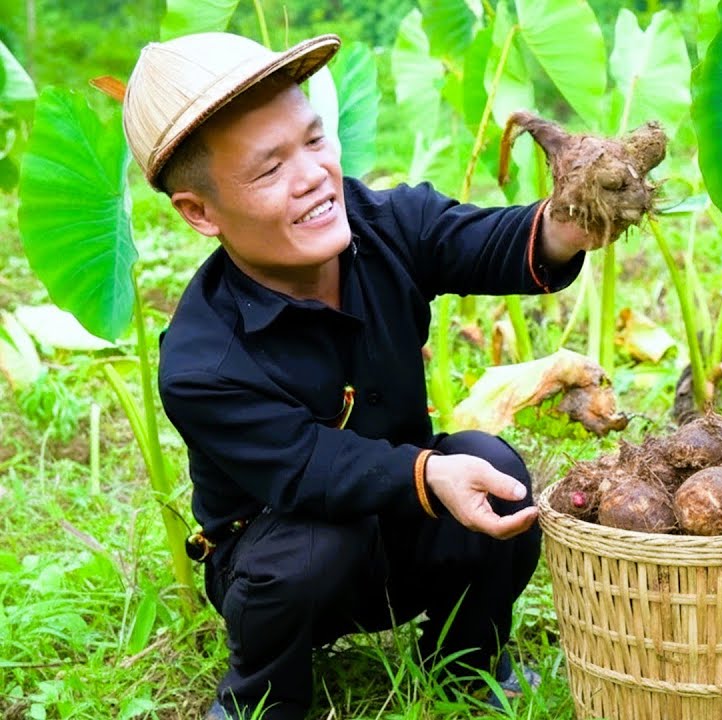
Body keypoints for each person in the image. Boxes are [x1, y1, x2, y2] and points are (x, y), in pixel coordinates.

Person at [121, 31, 620, 720]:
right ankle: (259, 701)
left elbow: (478, 242)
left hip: (401, 522)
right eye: (270, 170)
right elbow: (307, 467)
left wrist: (568, 224)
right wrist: (428, 475)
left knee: (492, 468)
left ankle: (468, 666)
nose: (312, 176)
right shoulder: (203, 360)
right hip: (285, 560)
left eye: (314, 141)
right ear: (200, 212)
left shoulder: (383, 225)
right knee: (309, 547)